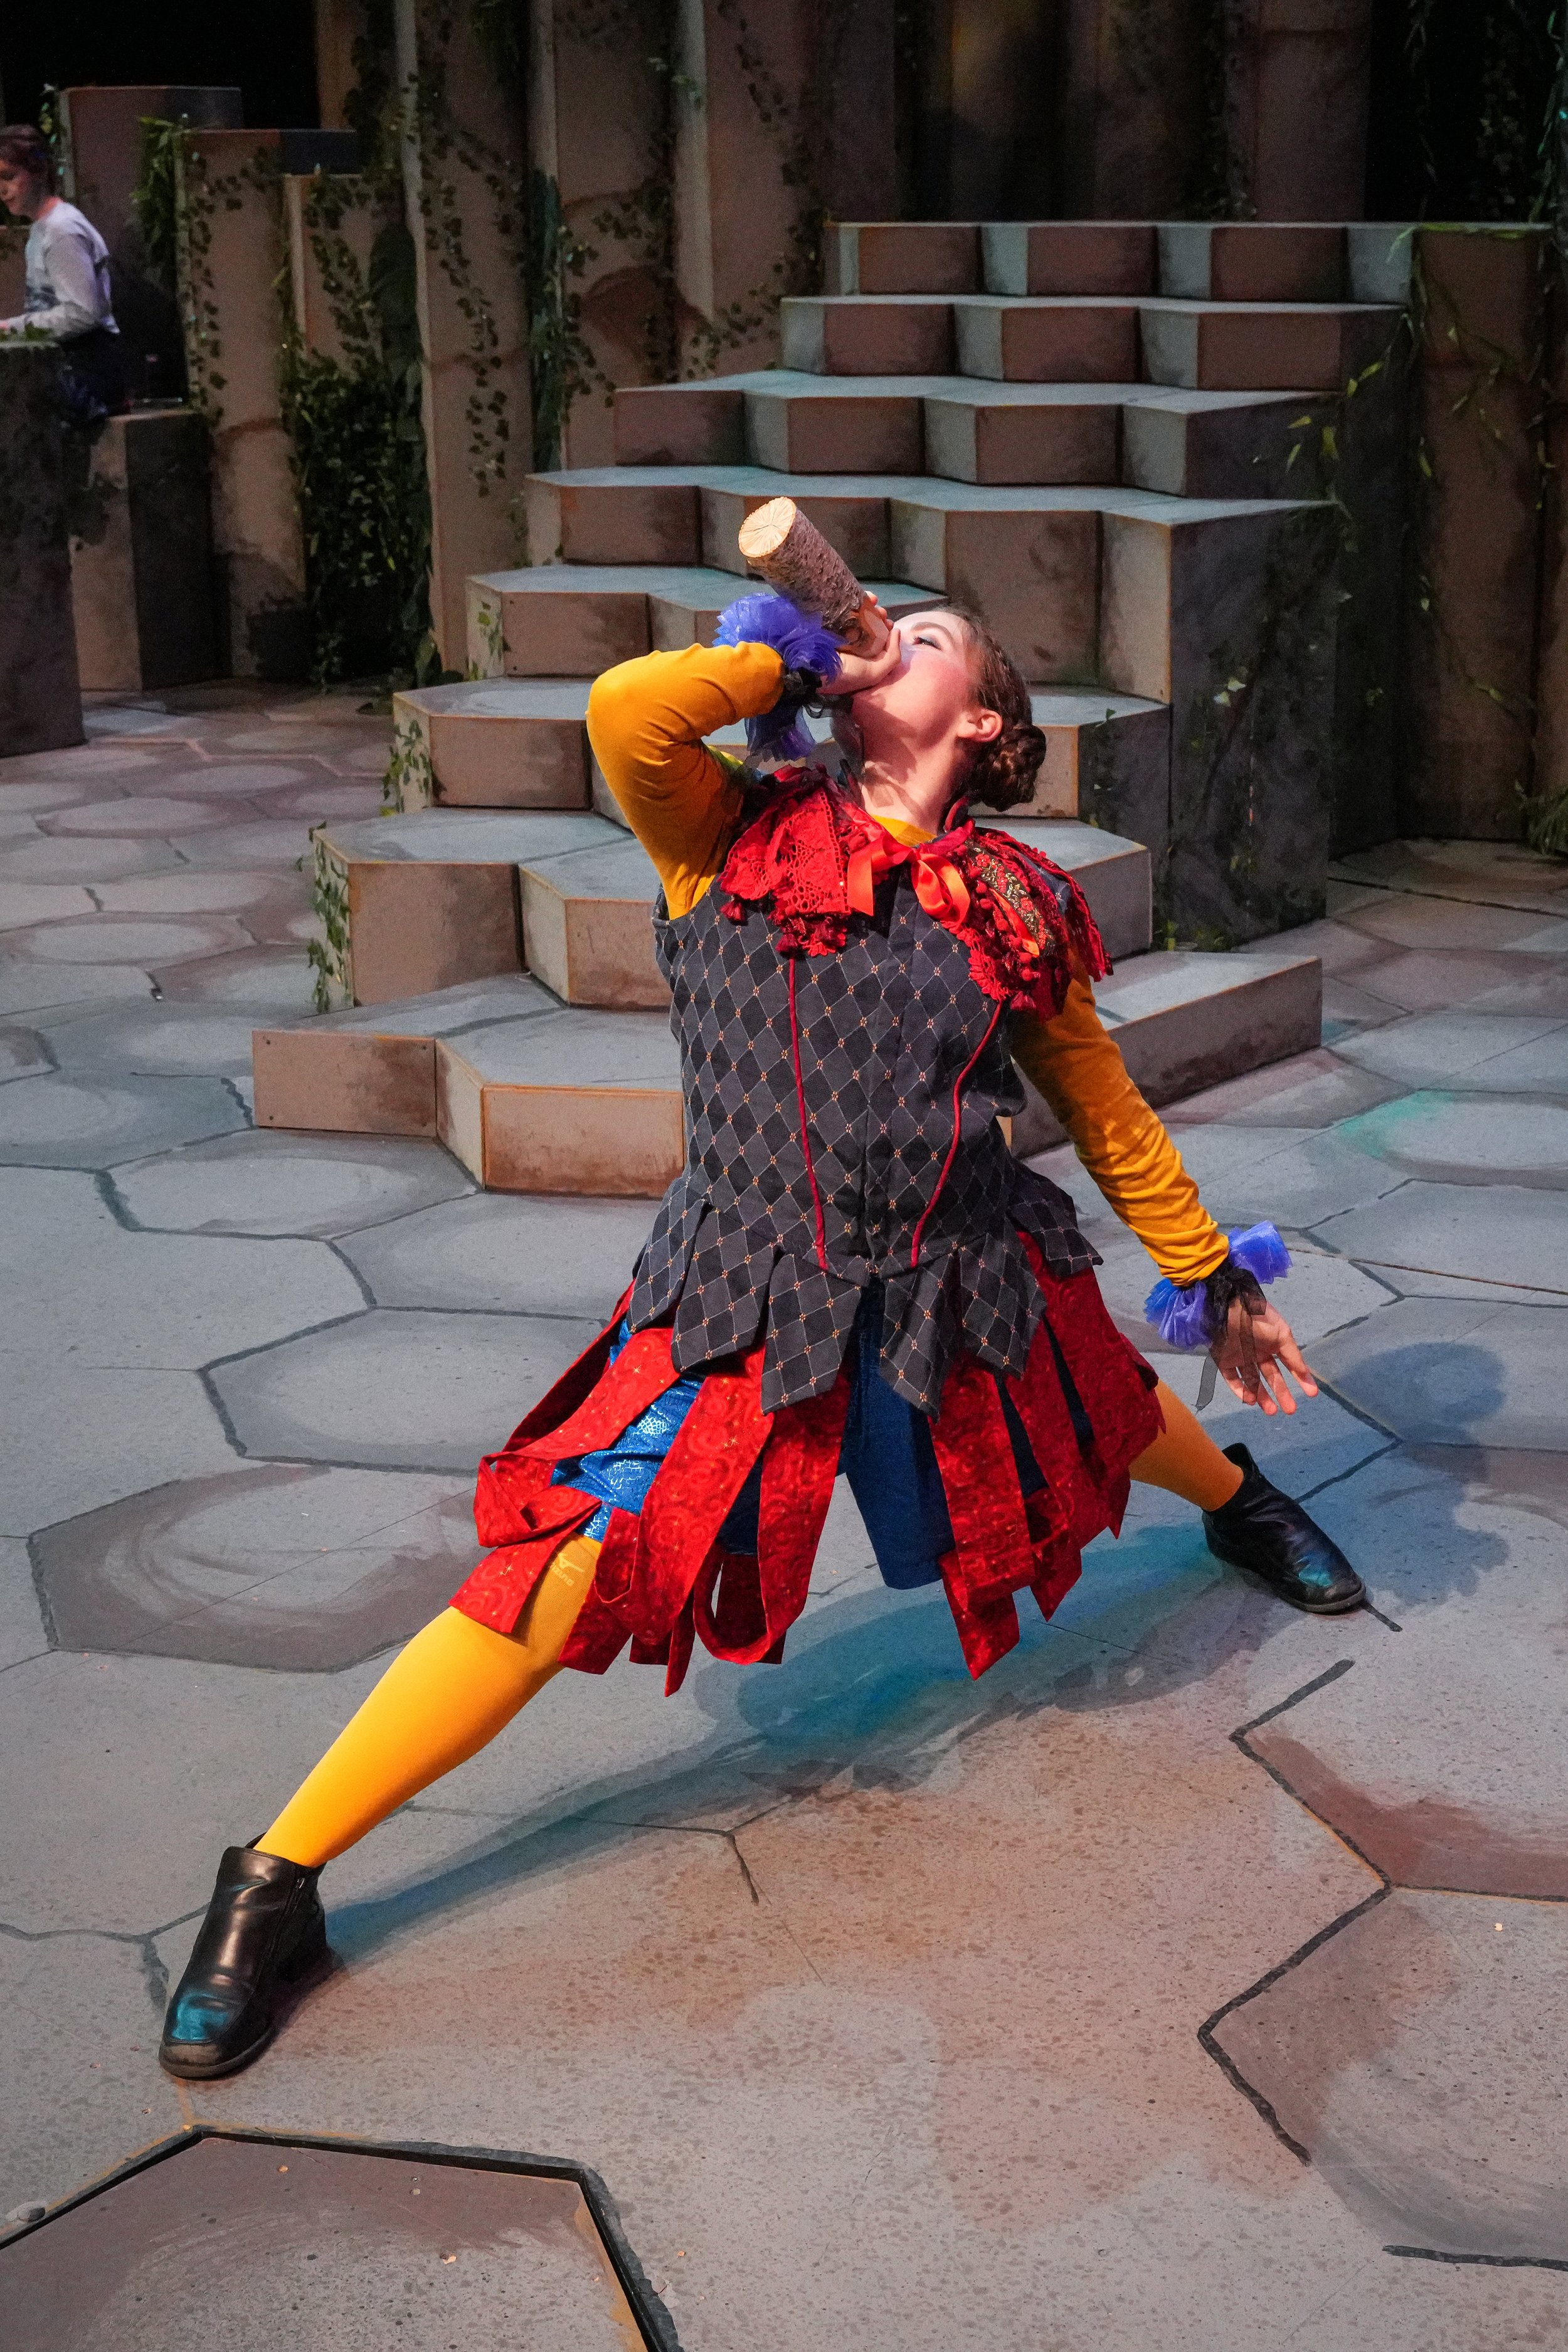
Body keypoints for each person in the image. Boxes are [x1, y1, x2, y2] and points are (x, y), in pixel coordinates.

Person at [160, 596, 1364, 2082]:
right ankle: (276, 1877)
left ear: (983, 720)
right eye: (875, 625)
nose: (887, 638)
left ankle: (1242, 1502)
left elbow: (1104, 1113)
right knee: (570, 1555)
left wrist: (1208, 1272)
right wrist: (791, 653)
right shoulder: (721, 827)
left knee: (1094, 1404)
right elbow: (628, 710)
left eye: (927, 638)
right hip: (742, 1284)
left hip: (956, 1262)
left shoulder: (1013, 897)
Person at [0, 122, 127, 421]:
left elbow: (83, 312)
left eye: (9, 177)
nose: (2, 190)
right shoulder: (42, 230)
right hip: (66, 363)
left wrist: (8, 330)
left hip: (88, 370)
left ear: (39, 172)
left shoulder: (62, 230)